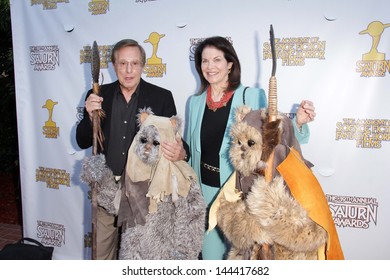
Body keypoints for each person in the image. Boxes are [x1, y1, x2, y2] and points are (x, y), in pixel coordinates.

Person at [185, 36, 316, 260]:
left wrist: (298, 123)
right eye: (204, 61)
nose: (210, 67)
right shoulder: (195, 101)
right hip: (205, 194)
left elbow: (272, 136)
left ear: (230, 64)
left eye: (217, 60)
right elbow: (190, 149)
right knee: (210, 259)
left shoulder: (251, 95)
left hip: (240, 193)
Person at [76, 39, 188, 260]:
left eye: (135, 63)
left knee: (138, 259)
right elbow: (81, 141)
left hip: (144, 195)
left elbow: (177, 145)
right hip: (106, 190)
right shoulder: (99, 94)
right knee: (101, 257)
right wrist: (89, 116)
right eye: (123, 63)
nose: (129, 70)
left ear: (143, 65)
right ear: (114, 65)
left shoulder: (161, 97)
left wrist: (182, 153)